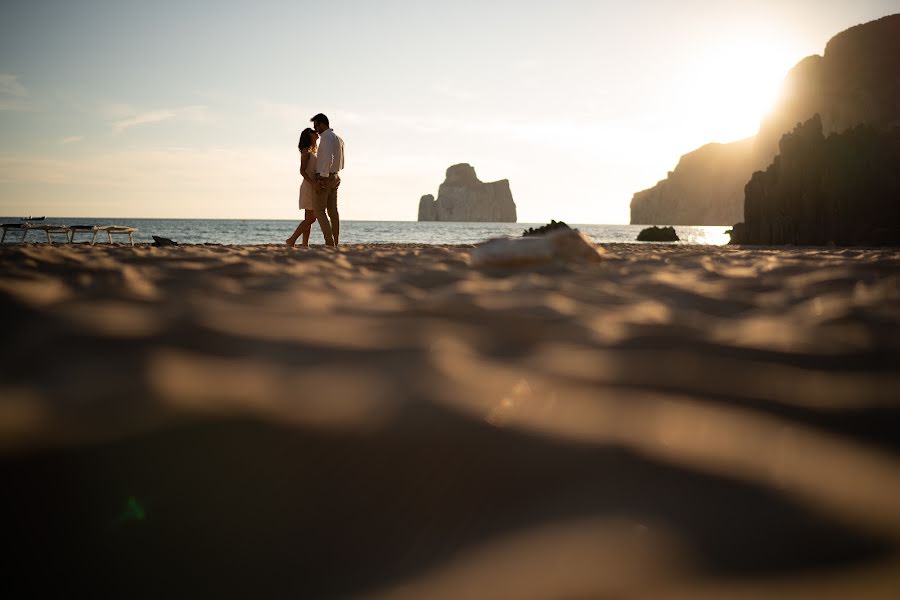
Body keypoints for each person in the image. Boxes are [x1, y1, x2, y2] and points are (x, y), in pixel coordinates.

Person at [310, 113, 345, 246]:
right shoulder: (338, 138)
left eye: (316, 125)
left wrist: (322, 177)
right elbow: (342, 161)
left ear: (323, 124)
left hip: (325, 177)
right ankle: (335, 242)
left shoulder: (325, 138)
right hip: (335, 176)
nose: (315, 129)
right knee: (333, 211)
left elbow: (328, 158)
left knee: (319, 211)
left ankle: (329, 243)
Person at [286, 128, 320, 247]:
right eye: (313, 132)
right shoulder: (306, 151)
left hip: (312, 185)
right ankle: (291, 240)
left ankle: (305, 244)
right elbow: (302, 171)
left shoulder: (314, 150)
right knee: (311, 218)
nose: (316, 133)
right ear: (308, 136)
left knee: (309, 218)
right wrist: (313, 183)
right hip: (308, 186)